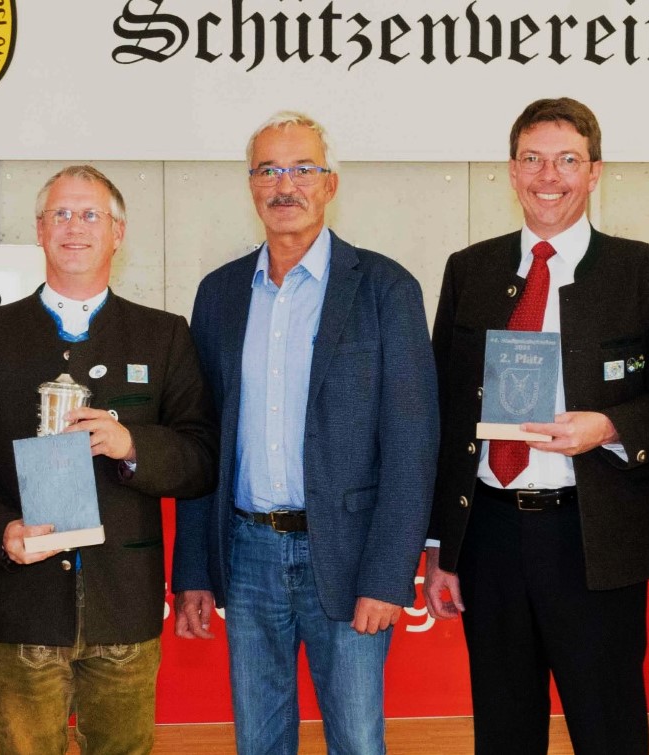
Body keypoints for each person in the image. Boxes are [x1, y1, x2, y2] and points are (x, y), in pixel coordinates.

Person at [421, 97, 649, 754]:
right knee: (503, 732)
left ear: (594, 172)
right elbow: (444, 411)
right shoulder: (470, 270)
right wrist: (441, 543)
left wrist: (609, 426)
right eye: (532, 159)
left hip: (593, 536)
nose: (547, 176)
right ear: (511, 170)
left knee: (608, 731)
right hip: (489, 535)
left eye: (567, 160)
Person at [0, 165, 217, 755]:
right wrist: (1, 528)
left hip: (125, 610)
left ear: (118, 232)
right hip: (22, 608)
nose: (75, 227)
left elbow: (201, 457)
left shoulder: (163, 335)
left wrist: (132, 445)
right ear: (39, 229)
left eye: (90, 215)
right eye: (61, 214)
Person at [172, 112, 438, 754]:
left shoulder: (385, 288)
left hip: (347, 556)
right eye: (268, 170)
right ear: (250, 185)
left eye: (301, 169)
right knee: (258, 741)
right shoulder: (219, 294)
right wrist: (194, 569)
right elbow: (202, 439)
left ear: (331, 184)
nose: (284, 185)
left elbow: (413, 442)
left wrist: (388, 575)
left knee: (356, 741)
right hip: (247, 553)